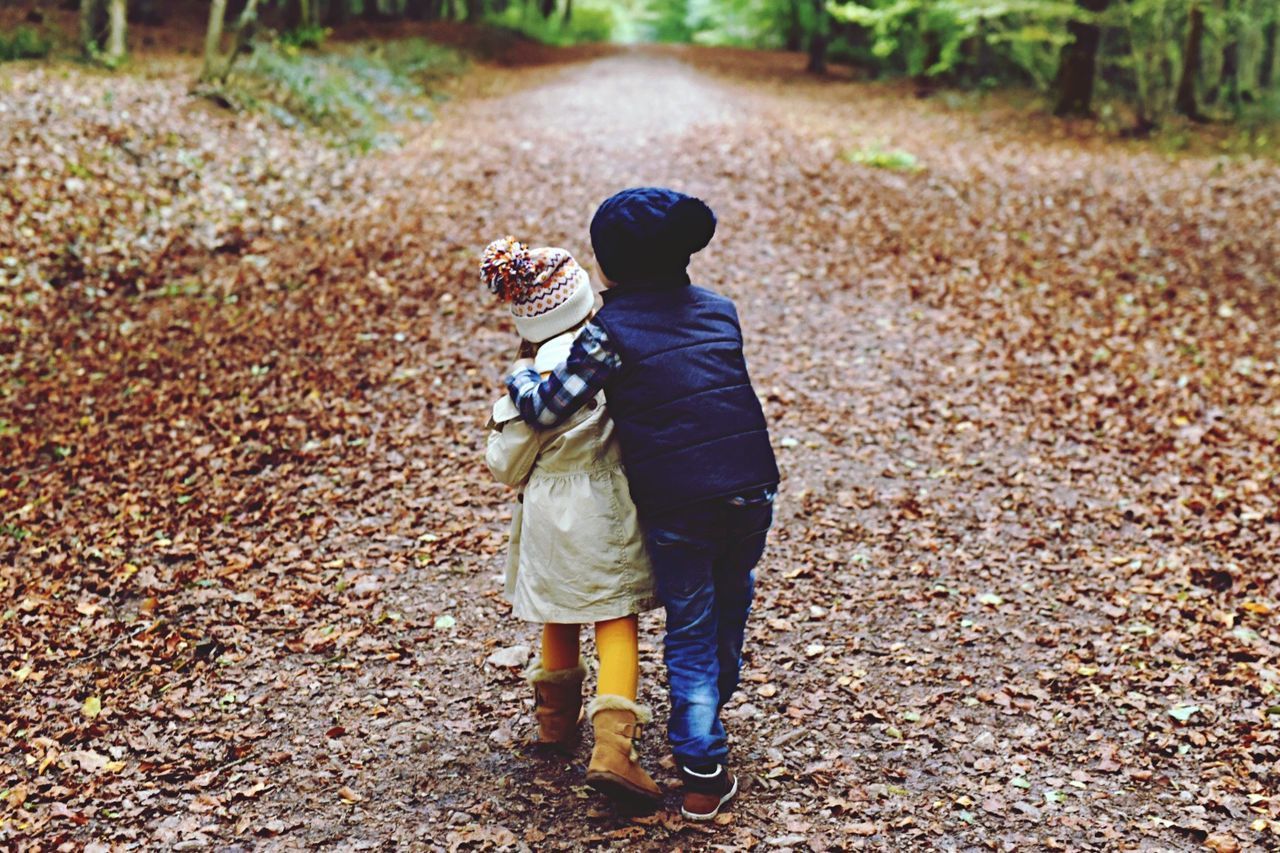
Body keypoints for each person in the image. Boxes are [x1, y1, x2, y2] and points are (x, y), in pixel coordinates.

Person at [504, 189, 780, 822]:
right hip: (750, 487)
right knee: (728, 603)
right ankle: (707, 706)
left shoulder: (608, 332)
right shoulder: (721, 310)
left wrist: (519, 376)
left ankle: (701, 767)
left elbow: (549, 407)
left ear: (605, 267)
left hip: (679, 502)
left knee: (689, 623)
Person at [481, 236, 663, 806]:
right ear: (583, 304)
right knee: (614, 618)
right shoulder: (607, 359)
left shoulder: (529, 381)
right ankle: (613, 750)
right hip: (604, 504)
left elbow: (505, 466)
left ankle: (554, 726)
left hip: (546, 511)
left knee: (558, 614)